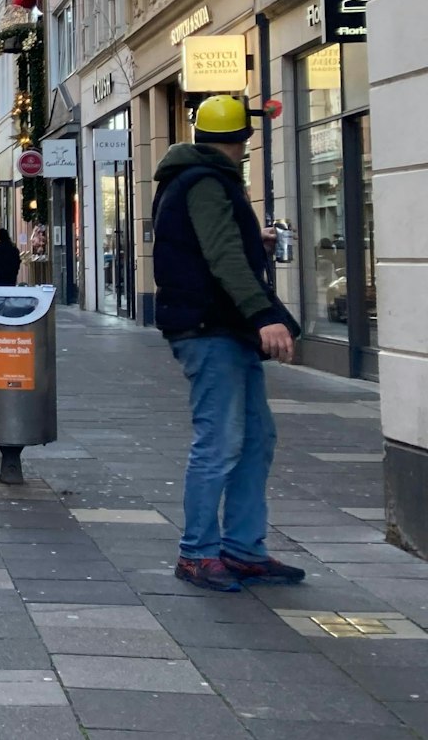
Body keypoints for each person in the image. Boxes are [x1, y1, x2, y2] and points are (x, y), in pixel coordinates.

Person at [153, 95, 305, 592]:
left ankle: (242, 549)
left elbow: (214, 247)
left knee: (256, 438)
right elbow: (221, 257)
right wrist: (265, 315)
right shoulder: (204, 183)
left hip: (223, 326)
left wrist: (250, 242)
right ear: (241, 139)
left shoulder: (199, 179)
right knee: (218, 441)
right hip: (209, 328)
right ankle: (197, 553)